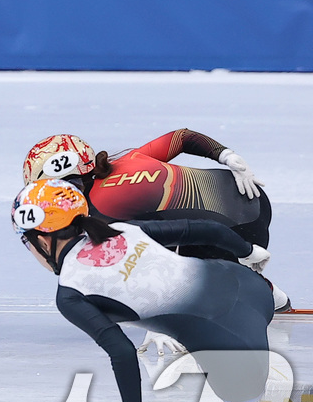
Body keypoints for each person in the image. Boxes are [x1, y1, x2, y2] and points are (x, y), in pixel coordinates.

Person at [10, 179, 312, 402]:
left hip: (230, 334)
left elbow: (122, 352)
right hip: (253, 287)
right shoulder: (123, 229)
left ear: (42, 239)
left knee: (244, 399)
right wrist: (248, 251)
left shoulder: (71, 293)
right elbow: (204, 229)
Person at [22, 131, 291, 339]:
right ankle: (255, 283)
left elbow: (145, 261)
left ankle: (257, 288)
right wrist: (228, 156)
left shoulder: (99, 213)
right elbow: (182, 137)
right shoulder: (130, 159)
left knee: (167, 260)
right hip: (251, 195)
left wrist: (163, 320)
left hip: (228, 233)